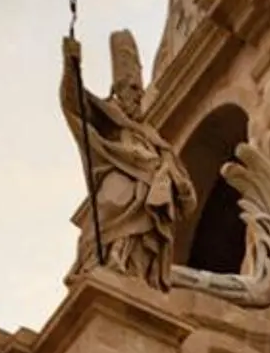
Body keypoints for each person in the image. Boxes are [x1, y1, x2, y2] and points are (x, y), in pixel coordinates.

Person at [61, 28, 190, 286]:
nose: (138, 95)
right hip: (119, 178)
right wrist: (72, 65)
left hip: (148, 186)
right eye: (132, 88)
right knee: (105, 216)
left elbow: (171, 161)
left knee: (142, 232)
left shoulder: (149, 133)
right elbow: (74, 102)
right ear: (117, 89)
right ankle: (101, 262)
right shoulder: (107, 113)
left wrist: (169, 173)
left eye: (139, 89)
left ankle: (126, 265)